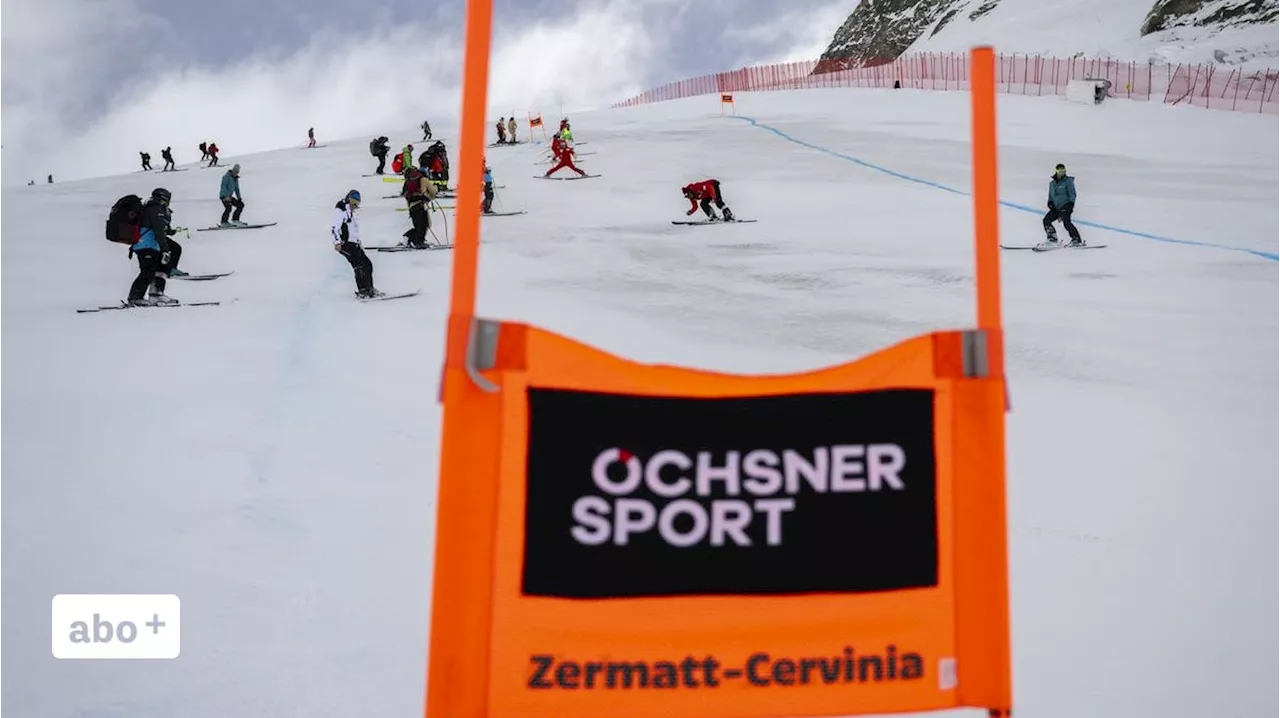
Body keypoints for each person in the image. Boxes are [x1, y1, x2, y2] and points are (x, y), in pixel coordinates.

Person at [127, 188, 183, 306]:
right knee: (147, 271)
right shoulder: (155, 209)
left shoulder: (153, 208)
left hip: (149, 244)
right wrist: (165, 249)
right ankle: (135, 297)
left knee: (161, 267)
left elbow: (159, 229)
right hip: (145, 244)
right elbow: (158, 231)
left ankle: (156, 293)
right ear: (163, 198)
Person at [331, 190, 382, 298]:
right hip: (345, 244)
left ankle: (369, 288)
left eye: (357, 203)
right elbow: (334, 228)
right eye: (354, 202)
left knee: (367, 264)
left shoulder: (351, 212)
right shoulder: (341, 210)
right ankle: (363, 291)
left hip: (354, 244)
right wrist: (337, 242)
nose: (355, 205)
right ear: (349, 199)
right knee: (358, 266)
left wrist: (359, 243)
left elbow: (354, 231)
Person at [1044, 163, 1083, 246]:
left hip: (1065, 206)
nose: (1062, 172)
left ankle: (1076, 239)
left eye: (1063, 170)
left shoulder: (1068, 181)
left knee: (1066, 222)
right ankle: (1052, 238)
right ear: (1056, 171)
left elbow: (1072, 194)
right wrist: (1050, 203)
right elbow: (1050, 195)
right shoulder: (1052, 183)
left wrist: (1071, 204)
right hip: (1055, 208)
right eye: (1060, 170)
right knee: (1046, 220)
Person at [401, 164, 438, 248]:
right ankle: (417, 241)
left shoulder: (408, 182)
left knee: (419, 225)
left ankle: (410, 239)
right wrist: (436, 187)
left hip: (412, 206)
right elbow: (433, 191)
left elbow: (406, 195)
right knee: (425, 224)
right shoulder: (424, 179)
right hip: (421, 205)